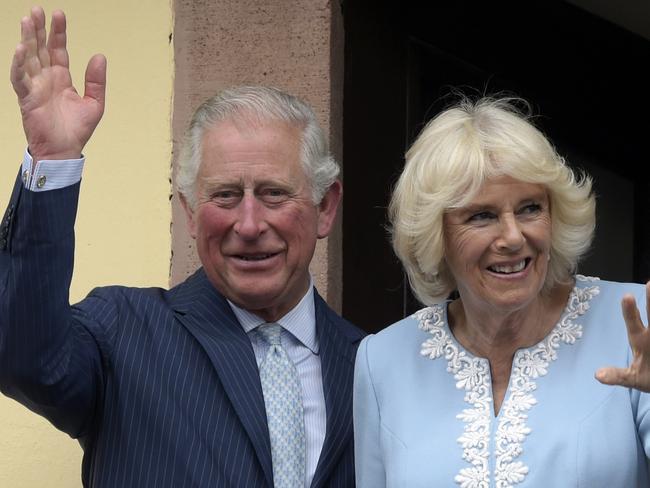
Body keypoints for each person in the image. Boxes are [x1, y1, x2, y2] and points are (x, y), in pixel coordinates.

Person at [0, 7, 364, 488]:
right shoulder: (124, 331)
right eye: (225, 195)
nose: (250, 224)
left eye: (275, 193)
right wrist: (53, 161)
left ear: (325, 206)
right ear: (190, 211)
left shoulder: (370, 364)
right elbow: (24, 357)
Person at [353, 95, 650, 486]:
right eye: (482, 215)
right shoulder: (382, 361)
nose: (512, 237)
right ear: (434, 234)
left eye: (530, 208)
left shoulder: (634, 325)